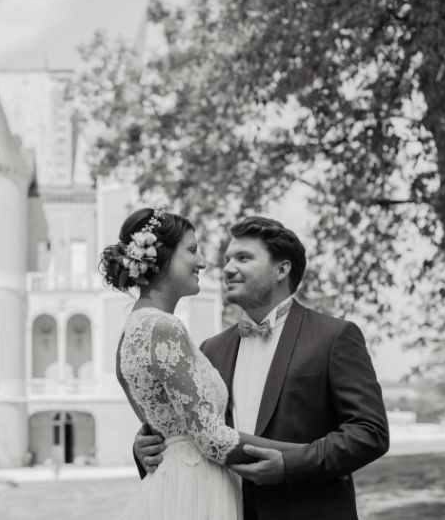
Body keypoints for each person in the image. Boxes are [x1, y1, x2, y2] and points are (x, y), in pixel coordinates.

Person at [134, 215, 390, 520]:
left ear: (282, 268)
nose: (228, 269)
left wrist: (290, 465)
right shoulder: (210, 349)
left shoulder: (334, 337)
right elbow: (186, 426)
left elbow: (370, 432)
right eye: (228, 259)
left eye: (243, 258)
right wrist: (143, 448)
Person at [102, 208, 305, 520]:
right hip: (197, 489)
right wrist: (306, 455)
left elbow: (161, 428)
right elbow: (212, 438)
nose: (203, 263)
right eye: (192, 250)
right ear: (160, 255)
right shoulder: (166, 329)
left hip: (175, 487)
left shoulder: (126, 338)